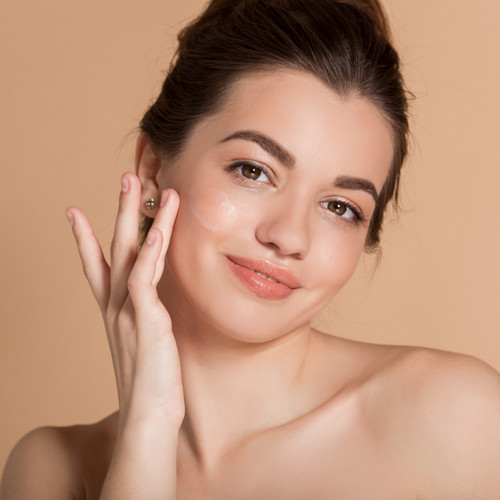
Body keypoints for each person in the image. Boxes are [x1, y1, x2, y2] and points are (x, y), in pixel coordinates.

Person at [1, 0, 500, 498]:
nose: (289, 236)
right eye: (254, 170)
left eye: (340, 207)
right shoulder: (53, 471)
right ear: (152, 169)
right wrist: (147, 427)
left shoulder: (456, 420)